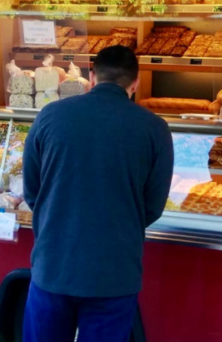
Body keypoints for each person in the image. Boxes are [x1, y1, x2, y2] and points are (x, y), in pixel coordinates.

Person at [22, 45, 174, 342]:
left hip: (54, 262)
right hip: (115, 270)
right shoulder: (155, 128)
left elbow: (32, 190)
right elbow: (153, 206)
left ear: (91, 77)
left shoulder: (50, 115)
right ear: (136, 82)